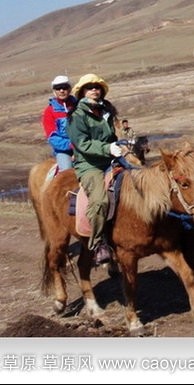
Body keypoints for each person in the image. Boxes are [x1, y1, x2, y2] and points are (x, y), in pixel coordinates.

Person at [66, 73, 122, 265]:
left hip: (111, 160)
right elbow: (82, 144)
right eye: (89, 87)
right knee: (99, 201)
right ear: (82, 92)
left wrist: (122, 145)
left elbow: (111, 137)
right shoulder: (77, 115)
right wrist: (108, 148)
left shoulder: (105, 110)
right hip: (90, 165)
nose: (94, 90)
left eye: (97, 87)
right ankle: (98, 243)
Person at [41, 75, 78, 172]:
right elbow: (52, 137)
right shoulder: (49, 111)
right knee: (67, 172)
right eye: (58, 88)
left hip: (84, 146)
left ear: (69, 89)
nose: (62, 90)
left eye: (64, 87)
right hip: (64, 151)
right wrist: (71, 145)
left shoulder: (79, 106)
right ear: (54, 91)